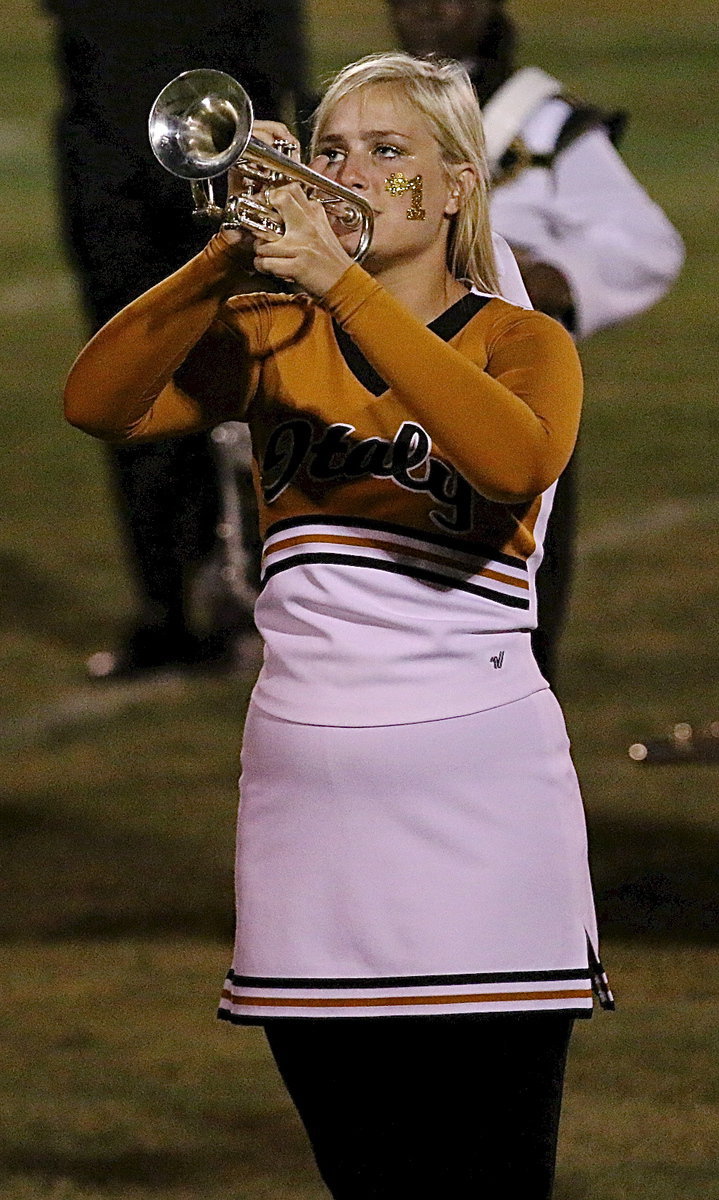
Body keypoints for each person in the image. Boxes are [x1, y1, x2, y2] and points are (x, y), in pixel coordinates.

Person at [65, 51, 614, 1198]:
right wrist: (221, 258)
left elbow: (513, 458)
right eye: (328, 149)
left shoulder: (526, 345)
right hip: (307, 822)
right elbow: (99, 401)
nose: (344, 171)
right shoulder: (270, 335)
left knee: (489, 1180)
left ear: (454, 187)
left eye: (385, 150)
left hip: (481, 815)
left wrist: (341, 287)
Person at [386, 0, 685, 685]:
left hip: (509, 392)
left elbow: (645, 244)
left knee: (511, 615)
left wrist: (550, 275)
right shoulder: (367, 115)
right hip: (379, 394)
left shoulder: (542, 119)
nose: (425, 8)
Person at [46, 0, 308, 678]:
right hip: (108, 163)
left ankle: (258, 598)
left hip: (219, 148)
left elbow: (275, 41)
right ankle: (163, 607)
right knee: (128, 384)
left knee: (247, 387)